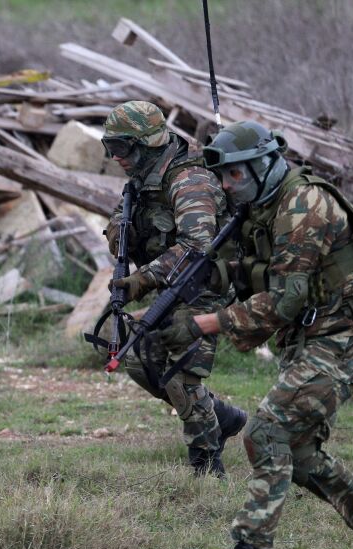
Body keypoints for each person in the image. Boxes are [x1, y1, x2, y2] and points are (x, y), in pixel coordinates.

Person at [160, 121, 353, 549]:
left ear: (262, 165)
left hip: (343, 334)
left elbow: (283, 301)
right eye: (222, 177)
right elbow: (260, 273)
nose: (225, 186)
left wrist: (204, 325)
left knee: (266, 433)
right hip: (310, 335)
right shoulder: (265, 205)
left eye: (233, 175)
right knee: (299, 457)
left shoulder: (304, 205)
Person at [101, 100, 247, 477]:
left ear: (147, 144)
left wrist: (142, 279)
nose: (115, 158)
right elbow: (119, 226)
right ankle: (221, 417)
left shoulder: (189, 179)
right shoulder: (141, 178)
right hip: (175, 283)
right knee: (137, 357)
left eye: (122, 148)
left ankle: (206, 465)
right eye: (110, 148)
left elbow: (198, 247)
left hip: (210, 283)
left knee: (181, 370)